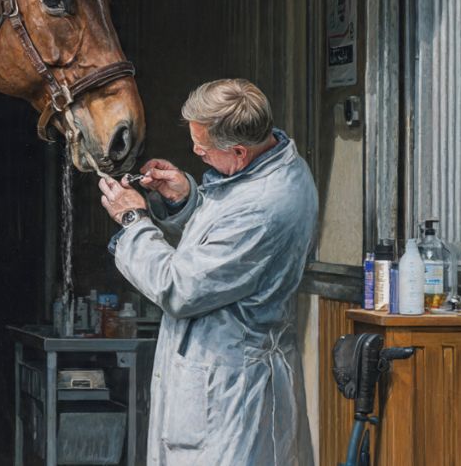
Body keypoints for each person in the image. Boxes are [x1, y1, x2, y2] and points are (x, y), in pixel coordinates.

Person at [97, 78, 317, 466]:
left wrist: (133, 221)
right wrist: (186, 197)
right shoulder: (265, 167)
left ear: (238, 151)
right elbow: (222, 250)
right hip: (217, 376)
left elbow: (179, 288)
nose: (195, 152)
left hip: (231, 390)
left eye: (203, 146)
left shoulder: (264, 206)